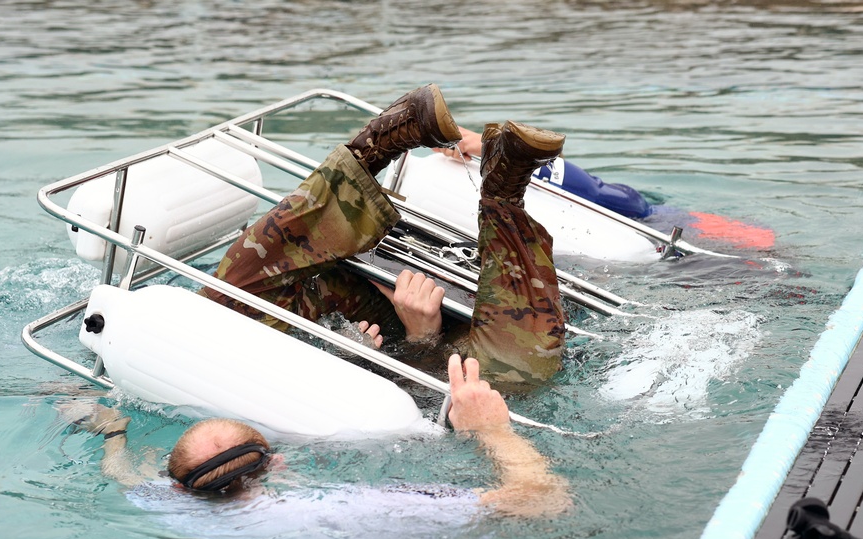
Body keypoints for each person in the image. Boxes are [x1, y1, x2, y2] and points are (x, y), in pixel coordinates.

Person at [200, 84, 567, 386]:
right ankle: (503, 198)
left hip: (365, 290)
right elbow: (426, 403)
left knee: (222, 300)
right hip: (426, 335)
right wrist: (420, 336)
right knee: (514, 379)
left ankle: (379, 142)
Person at [68, 354, 570, 518]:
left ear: (180, 488)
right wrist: (494, 431)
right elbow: (544, 500)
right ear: (280, 462)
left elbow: (122, 475)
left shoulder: (183, 515)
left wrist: (113, 431)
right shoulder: (357, 505)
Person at [436, 126, 776, 251]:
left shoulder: (634, 208)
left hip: (648, 220)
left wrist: (487, 147)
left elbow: (606, 196)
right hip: (647, 219)